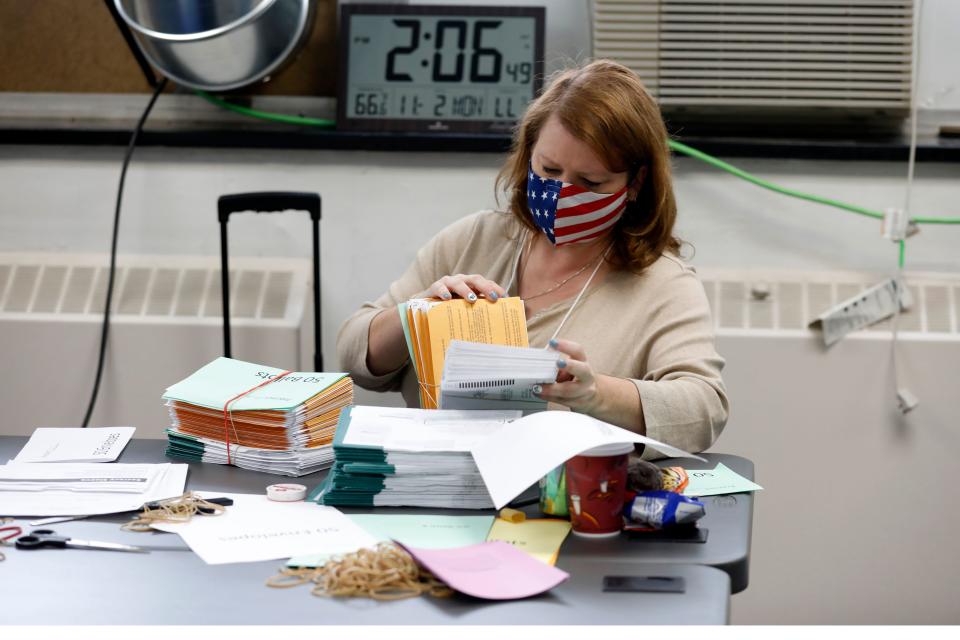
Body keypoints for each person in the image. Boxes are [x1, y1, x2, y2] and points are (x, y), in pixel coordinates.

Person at [337, 59, 728, 456]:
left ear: (635, 183)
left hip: (566, 503)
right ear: (528, 156)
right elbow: (353, 354)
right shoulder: (474, 239)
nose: (561, 192)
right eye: (549, 169)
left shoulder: (662, 284)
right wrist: (415, 314)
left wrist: (596, 394)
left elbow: (704, 410)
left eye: (590, 182)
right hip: (435, 488)